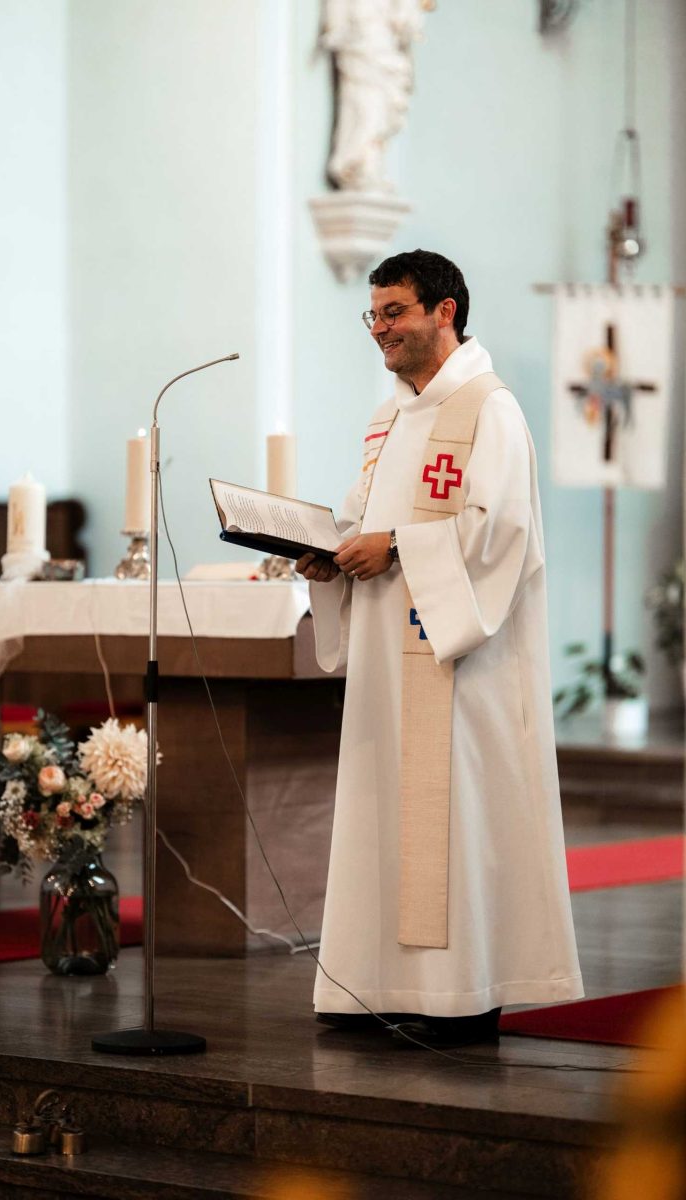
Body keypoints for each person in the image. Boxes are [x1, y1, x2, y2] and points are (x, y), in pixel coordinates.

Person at [296, 249, 583, 1048]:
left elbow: (502, 534)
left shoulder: (487, 410)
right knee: (383, 813)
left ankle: (461, 992)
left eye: (394, 313)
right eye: (374, 315)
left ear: (445, 310)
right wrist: (332, 554)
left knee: (453, 820)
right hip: (390, 667)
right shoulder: (390, 419)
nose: (380, 330)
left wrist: (395, 550)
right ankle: (374, 986)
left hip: (461, 666)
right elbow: (362, 519)